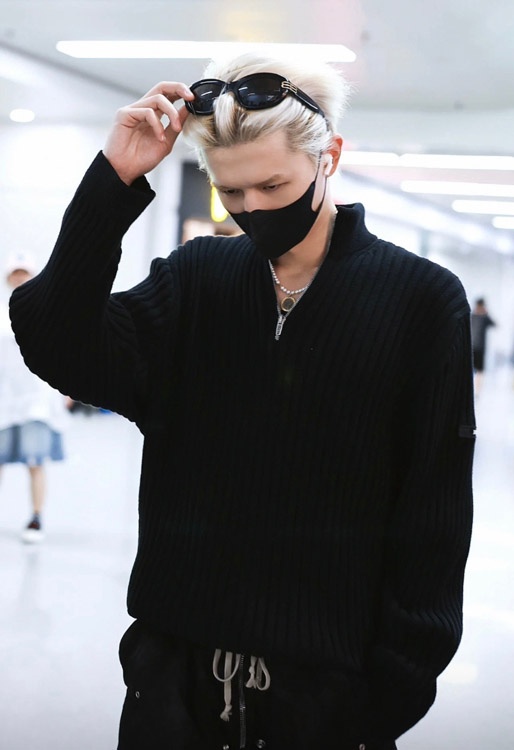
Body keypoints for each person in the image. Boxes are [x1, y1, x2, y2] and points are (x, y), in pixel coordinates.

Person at [9, 54, 475, 749]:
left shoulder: (420, 300)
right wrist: (114, 181)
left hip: (330, 696)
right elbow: (55, 340)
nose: (252, 207)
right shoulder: (198, 280)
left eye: (272, 184)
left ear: (329, 157)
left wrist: (392, 688)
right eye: (231, 190)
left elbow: (434, 506)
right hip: (172, 683)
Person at [0, 252, 69, 543]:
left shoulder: (47, 311)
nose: (20, 278)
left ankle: (36, 517)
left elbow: (62, 353)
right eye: (15, 273)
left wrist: (67, 389)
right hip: (4, 398)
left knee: (35, 459)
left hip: (37, 399)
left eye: (24, 273)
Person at [470, 297, 496, 395]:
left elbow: (494, 324)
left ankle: (477, 391)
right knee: (470, 369)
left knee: (480, 371)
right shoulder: (471, 316)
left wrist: (486, 313)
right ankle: (470, 390)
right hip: (471, 348)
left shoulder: (485, 318)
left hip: (480, 349)